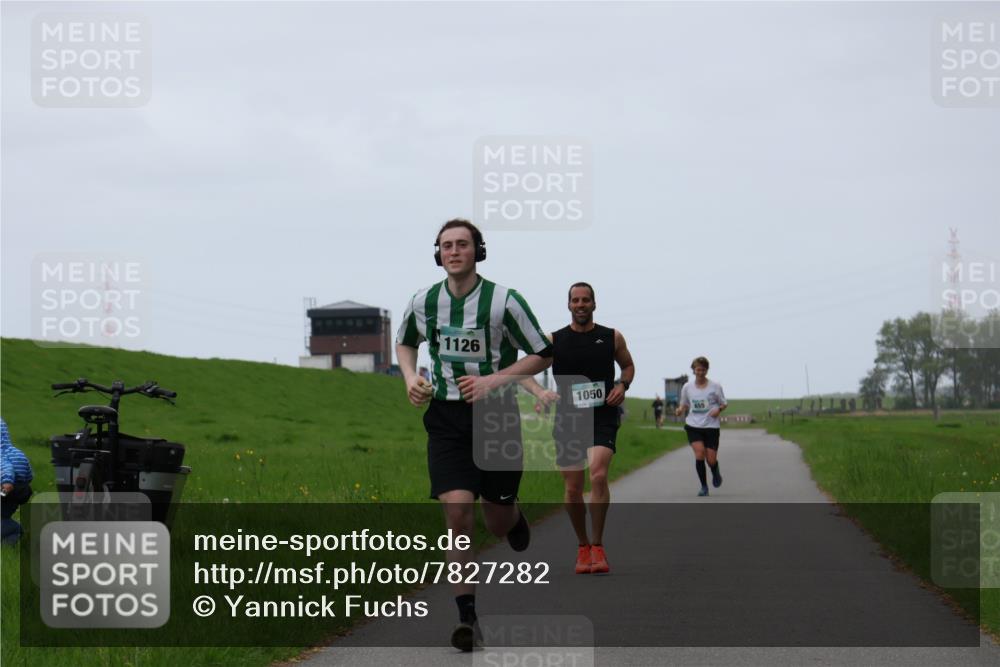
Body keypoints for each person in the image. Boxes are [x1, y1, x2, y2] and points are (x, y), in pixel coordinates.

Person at [396, 218, 553, 652]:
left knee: (496, 521)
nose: (453, 252)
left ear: (477, 250)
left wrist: (495, 379)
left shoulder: (505, 301)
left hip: (497, 415)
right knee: (458, 514)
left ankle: (514, 517)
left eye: (462, 244)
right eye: (445, 245)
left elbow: (543, 352)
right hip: (446, 418)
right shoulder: (424, 301)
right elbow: (406, 341)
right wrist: (410, 376)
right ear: (437, 253)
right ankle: (467, 618)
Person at [523, 282, 635, 575]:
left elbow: (628, 367)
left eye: (586, 300)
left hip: (603, 415)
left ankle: (598, 545)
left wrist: (623, 385)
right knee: (573, 488)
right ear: (569, 305)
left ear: (594, 304)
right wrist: (540, 393)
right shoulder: (555, 340)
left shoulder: (611, 337)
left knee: (598, 474)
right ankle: (582, 546)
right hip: (569, 419)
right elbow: (522, 371)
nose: (581, 304)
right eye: (576, 300)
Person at [675, 357, 728, 496]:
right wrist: (680, 409)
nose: (700, 372)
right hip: (693, 425)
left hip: (711, 426)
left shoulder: (715, 386)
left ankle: (715, 471)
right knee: (699, 454)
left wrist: (719, 409)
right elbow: (684, 403)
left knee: (711, 460)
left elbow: (724, 403)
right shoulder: (687, 387)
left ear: (707, 370)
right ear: (693, 370)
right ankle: (704, 487)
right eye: (698, 369)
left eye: (703, 369)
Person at [1, 418, 34, 546]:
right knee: (15, 529)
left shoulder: (2, 454)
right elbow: (29, 474)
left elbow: (6, 467)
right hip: (14, 496)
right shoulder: (19, 454)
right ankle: (6, 546)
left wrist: (6, 483)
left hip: (6, 493)